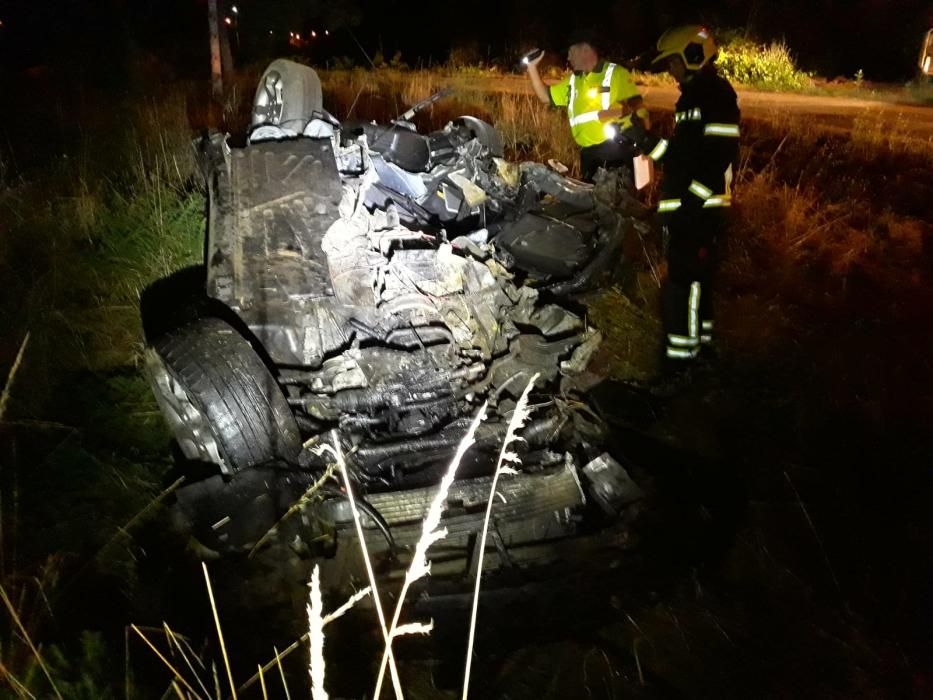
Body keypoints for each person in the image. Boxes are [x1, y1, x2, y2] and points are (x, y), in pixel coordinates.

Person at [631, 25, 740, 368]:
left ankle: (681, 363)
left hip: (699, 208)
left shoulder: (714, 95)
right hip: (695, 205)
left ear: (693, 56)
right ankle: (703, 350)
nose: (670, 71)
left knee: (683, 284)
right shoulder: (694, 96)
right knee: (699, 282)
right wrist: (647, 143)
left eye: (673, 64)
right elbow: (682, 157)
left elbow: (719, 154)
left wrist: (691, 203)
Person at [525, 31, 649, 183]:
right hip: (588, 157)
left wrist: (643, 146)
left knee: (614, 203)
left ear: (585, 50)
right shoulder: (573, 81)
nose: (568, 58)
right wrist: (531, 68)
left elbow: (640, 111)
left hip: (615, 156)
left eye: (571, 52)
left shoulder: (616, 74)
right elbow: (545, 96)